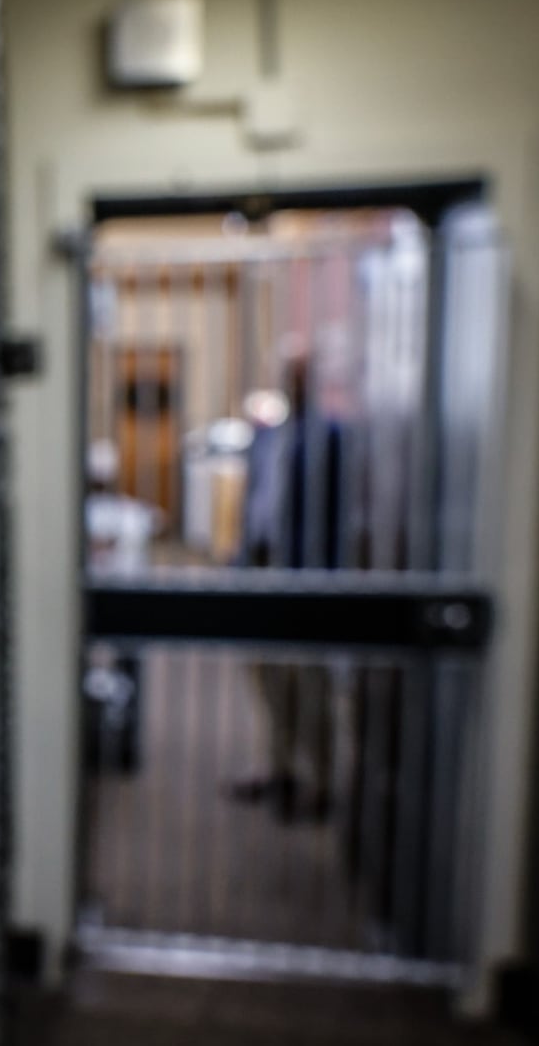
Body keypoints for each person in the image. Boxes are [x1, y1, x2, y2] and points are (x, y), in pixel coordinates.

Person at [227, 346, 343, 822]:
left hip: (306, 571)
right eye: (288, 374)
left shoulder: (331, 437)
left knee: (310, 679)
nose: (294, 382)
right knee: (267, 673)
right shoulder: (267, 436)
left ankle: (322, 780)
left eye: (301, 375)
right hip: (260, 565)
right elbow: (253, 501)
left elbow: (337, 509)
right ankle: (279, 767)